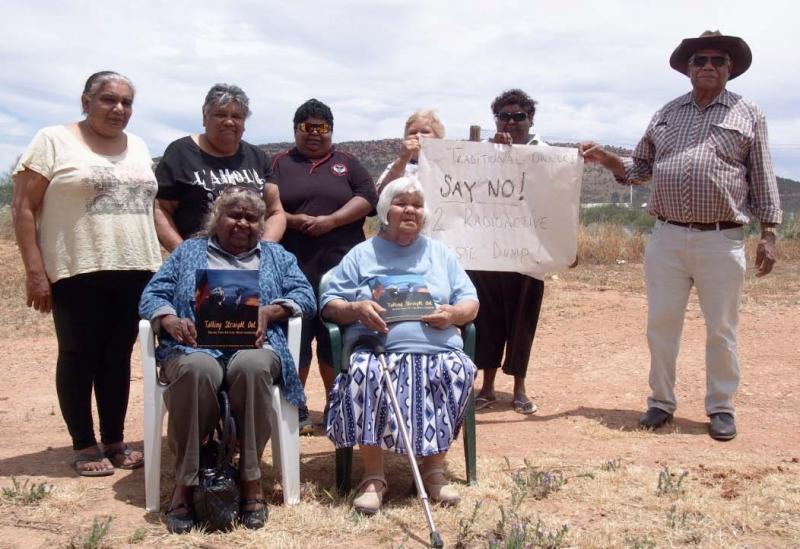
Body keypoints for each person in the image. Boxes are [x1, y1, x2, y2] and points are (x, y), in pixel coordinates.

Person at [579, 31, 782, 441]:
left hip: (720, 239)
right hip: (667, 238)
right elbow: (640, 167)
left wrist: (770, 231)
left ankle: (721, 407)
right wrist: (606, 159)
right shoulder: (666, 113)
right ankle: (660, 402)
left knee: (722, 328)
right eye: (700, 60)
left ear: (730, 69)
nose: (708, 66)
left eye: (717, 60)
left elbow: (761, 174)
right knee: (661, 323)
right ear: (688, 69)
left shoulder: (748, 113)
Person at [138, 188, 315, 533]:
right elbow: (153, 294)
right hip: (192, 347)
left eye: (251, 218)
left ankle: (251, 479)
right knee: (196, 369)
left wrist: (270, 310)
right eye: (234, 215)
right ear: (216, 218)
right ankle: (186, 483)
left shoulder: (277, 256)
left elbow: (305, 295)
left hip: (254, 346)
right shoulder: (189, 251)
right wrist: (169, 319)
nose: (242, 223)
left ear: (262, 225)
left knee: (252, 367)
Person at [12, 71, 162, 476]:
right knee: (78, 356)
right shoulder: (52, 140)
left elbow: (149, 207)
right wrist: (34, 271)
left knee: (117, 357)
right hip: (77, 267)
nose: (119, 109)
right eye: (109, 100)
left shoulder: (139, 145)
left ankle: (114, 440)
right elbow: (23, 206)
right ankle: (84, 444)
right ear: (86, 101)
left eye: (127, 102)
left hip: (135, 268)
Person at [321, 176, 478, 514]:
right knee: (365, 372)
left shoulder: (441, 254)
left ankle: (433, 471)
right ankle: (374, 477)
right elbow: (329, 300)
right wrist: (356, 309)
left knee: (457, 369)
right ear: (384, 210)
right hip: (379, 347)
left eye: (417, 205)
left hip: (436, 347)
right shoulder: (362, 255)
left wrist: (452, 313)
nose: (410, 210)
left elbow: (471, 302)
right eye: (402, 203)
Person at [272, 98, 378, 434]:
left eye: (322, 127)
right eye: (307, 127)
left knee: (336, 338)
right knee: (296, 338)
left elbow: (368, 199)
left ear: (331, 131)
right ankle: (297, 405)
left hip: (342, 269)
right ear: (295, 129)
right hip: (292, 267)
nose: (315, 134)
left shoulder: (347, 163)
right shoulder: (276, 163)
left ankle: (337, 404)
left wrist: (332, 221)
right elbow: (265, 206)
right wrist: (291, 219)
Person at [470, 88, 547, 415]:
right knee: (486, 320)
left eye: (519, 116)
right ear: (496, 120)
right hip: (485, 252)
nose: (512, 122)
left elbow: (557, 196)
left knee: (521, 322)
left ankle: (519, 387)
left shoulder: (545, 153)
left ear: (530, 119)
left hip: (526, 255)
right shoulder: (480, 153)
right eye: (505, 116)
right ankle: (486, 387)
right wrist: (493, 155)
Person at [154, 83, 286, 251]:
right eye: (220, 114)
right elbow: (161, 210)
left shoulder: (258, 157)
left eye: (237, 116)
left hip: (250, 264)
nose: (229, 122)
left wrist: (265, 251)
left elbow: (276, 212)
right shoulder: (180, 152)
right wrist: (184, 256)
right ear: (205, 117)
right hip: (198, 261)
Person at [375, 109, 446, 193]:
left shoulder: (448, 166)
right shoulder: (396, 166)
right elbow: (381, 194)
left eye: (425, 132)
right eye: (412, 132)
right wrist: (402, 159)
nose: (418, 136)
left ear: (438, 139)